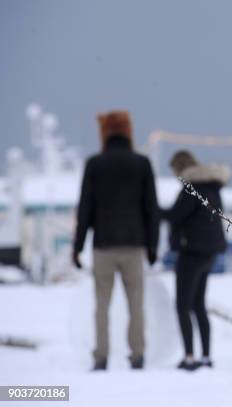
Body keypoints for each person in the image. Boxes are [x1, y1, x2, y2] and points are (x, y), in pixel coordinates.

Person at [72, 111, 159, 371]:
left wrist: (77, 247)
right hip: (134, 246)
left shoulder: (94, 164)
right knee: (136, 304)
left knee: (101, 305)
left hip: (103, 247)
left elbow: (85, 208)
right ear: (128, 131)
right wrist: (152, 246)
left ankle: (101, 357)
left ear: (105, 133)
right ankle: (138, 355)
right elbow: (151, 209)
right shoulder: (142, 163)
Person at [163, 150, 230, 371]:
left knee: (183, 305)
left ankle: (189, 357)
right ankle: (206, 357)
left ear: (180, 168)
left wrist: (150, 210)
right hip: (209, 253)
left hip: (191, 252)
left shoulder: (192, 188)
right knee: (198, 305)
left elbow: (174, 216)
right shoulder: (212, 186)